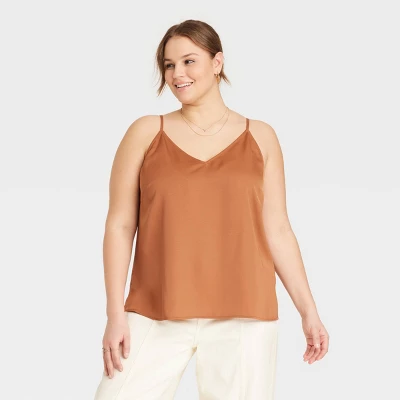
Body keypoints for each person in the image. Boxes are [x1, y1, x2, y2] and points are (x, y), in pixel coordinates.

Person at [94, 19, 329, 400]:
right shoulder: (146, 132)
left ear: (217, 63)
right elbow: (120, 225)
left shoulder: (261, 136)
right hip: (156, 307)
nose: (177, 74)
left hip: (245, 312)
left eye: (189, 61)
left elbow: (278, 229)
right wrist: (114, 313)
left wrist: (308, 310)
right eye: (169, 65)